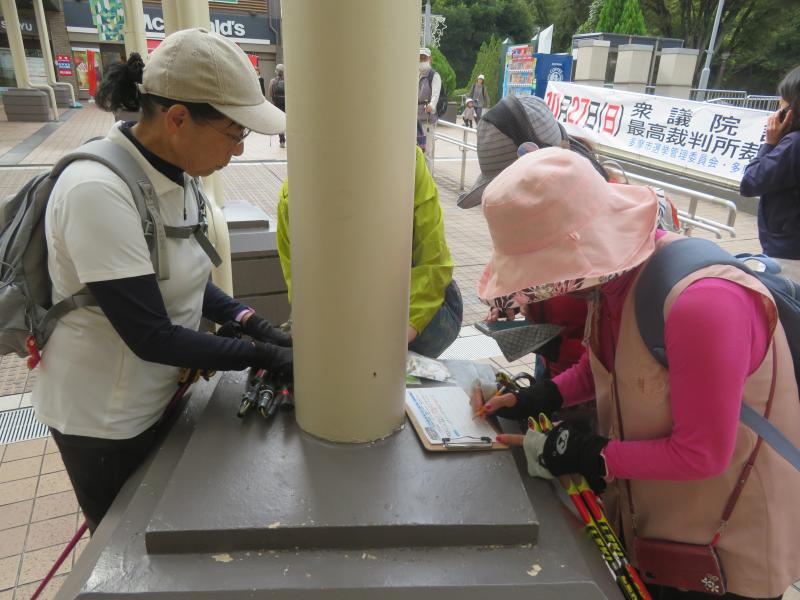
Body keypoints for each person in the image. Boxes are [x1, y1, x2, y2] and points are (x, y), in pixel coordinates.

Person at [476, 147, 800, 600]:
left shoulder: (703, 303)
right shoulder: (612, 282)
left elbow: (702, 454)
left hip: (727, 550)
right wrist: (543, 397)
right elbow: (607, 369)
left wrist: (590, 452)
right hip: (656, 527)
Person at [31, 29, 293, 534]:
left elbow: (189, 276)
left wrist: (254, 323)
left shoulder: (177, 172)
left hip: (157, 396)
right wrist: (265, 355)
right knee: (124, 544)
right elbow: (152, 335)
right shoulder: (97, 192)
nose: (238, 151)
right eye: (235, 133)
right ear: (177, 118)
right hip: (105, 419)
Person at [276, 146, 462, 358]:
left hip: (419, 307)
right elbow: (303, 290)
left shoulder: (404, 161)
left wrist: (391, 343)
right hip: (346, 316)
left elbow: (433, 263)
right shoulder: (294, 196)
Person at [740, 65, 800, 281]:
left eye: (782, 101)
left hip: (788, 253)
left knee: (782, 308)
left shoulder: (793, 145)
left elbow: (750, 182)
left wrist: (769, 143)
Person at [417, 47, 441, 167]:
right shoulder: (416, 75)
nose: (421, 60)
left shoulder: (434, 75)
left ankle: (429, 182)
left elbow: (436, 95)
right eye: (420, 58)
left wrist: (431, 105)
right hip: (416, 119)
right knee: (416, 152)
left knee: (427, 152)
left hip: (427, 119)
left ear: (430, 59)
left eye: (424, 58)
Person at [267, 63, 286, 148]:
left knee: (280, 122)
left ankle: (282, 140)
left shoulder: (272, 81)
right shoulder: (288, 81)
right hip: (286, 105)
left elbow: (270, 94)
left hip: (277, 105)